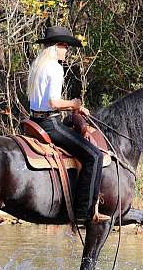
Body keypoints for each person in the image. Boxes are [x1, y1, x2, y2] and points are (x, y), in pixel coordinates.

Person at [28, 25, 111, 224]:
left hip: (34, 120)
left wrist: (74, 108)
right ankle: (83, 211)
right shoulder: (55, 67)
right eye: (65, 46)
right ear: (56, 47)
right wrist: (74, 104)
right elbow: (54, 103)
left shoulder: (38, 66)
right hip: (50, 123)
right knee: (94, 156)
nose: (67, 50)